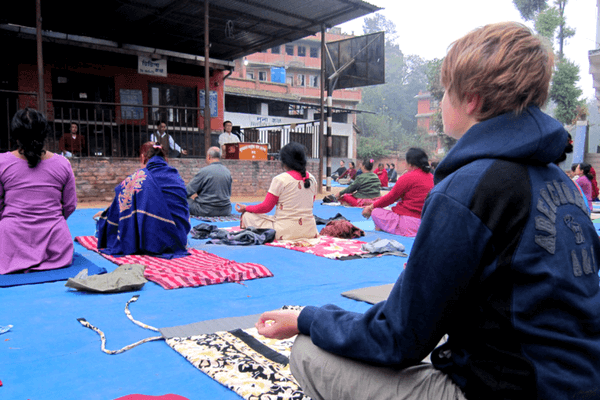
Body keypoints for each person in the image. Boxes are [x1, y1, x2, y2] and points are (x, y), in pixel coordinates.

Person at [254, 22, 600, 400]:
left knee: (308, 351)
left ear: (470, 99)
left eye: (443, 93)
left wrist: (307, 317)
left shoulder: (466, 187)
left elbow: (398, 338)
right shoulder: (563, 185)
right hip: (580, 384)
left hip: (510, 389)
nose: (439, 103)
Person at [0, 108, 77, 274]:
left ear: (16, 135)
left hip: (10, 244)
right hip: (56, 246)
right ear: (45, 134)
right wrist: (50, 220)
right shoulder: (63, 164)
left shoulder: (2, 162)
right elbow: (70, 205)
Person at [95, 142, 190, 257]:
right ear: (165, 159)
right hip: (180, 238)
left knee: (109, 218)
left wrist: (106, 215)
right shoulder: (175, 175)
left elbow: (120, 203)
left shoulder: (138, 178)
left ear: (143, 159)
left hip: (152, 242)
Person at [235, 142, 318, 241]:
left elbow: (266, 207)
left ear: (284, 161)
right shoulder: (312, 179)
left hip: (284, 232)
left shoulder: (280, 179)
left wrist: (246, 208)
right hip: (310, 230)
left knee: (247, 216)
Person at [362, 148, 434, 236]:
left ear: (410, 163)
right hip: (426, 224)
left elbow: (391, 197)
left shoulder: (408, 177)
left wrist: (371, 207)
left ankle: (392, 229)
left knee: (376, 212)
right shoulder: (433, 178)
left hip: (408, 223)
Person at [186, 146, 232, 217]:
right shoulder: (227, 172)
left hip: (205, 210)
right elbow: (228, 193)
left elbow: (187, 192)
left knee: (180, 198)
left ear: (209, 157)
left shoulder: (204, 171)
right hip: (225, 210)